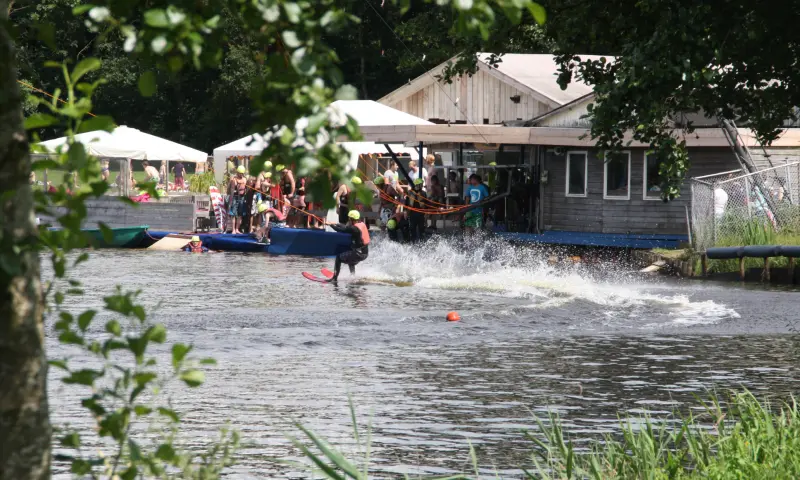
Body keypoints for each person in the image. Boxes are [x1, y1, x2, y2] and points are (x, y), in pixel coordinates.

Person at [327, 210, 370, 282]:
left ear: (351, 219)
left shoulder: (354, 229)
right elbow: (345, 227)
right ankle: (352, 277)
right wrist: (335, 223)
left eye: (349, 218)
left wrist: (330, 225)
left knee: (338, 258)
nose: (348, 220)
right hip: (364, 253)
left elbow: (340, 229)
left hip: (358, 254)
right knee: (351, 260)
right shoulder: (362, 224)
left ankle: (334, 278)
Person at [228, 165, 247, 234]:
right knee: (233, 214)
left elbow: (246, 189)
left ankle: (237, 229)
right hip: (235, 198)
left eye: (242, 173)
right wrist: (230, 200)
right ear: (237, 172)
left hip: (242, 198)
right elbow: (232, 190)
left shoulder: (245, 179)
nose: (241, 174)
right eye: (240, 173)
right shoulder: (234, 180)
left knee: (240, 214)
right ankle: (233, 229)